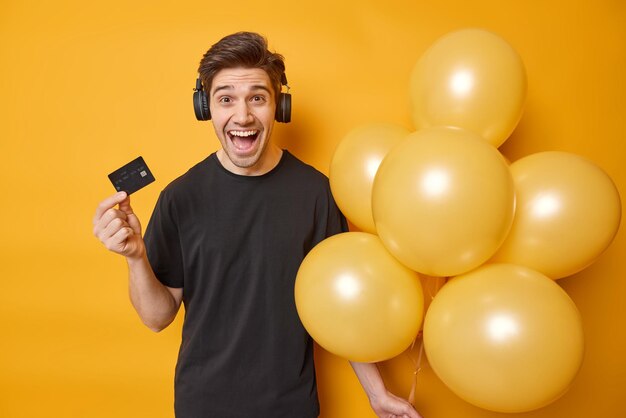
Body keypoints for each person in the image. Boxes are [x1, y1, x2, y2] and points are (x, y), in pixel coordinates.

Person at [93, 31, 421, 418]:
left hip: (291, 408)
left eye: (257, 98)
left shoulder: (317, 193)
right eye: (226, 98)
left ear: (279, 105)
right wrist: (135, 257)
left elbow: (340, 306)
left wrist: (377, 394)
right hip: (203, 407)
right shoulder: (180, 197)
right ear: (205, 107)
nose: (243, 116)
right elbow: (156, 317)